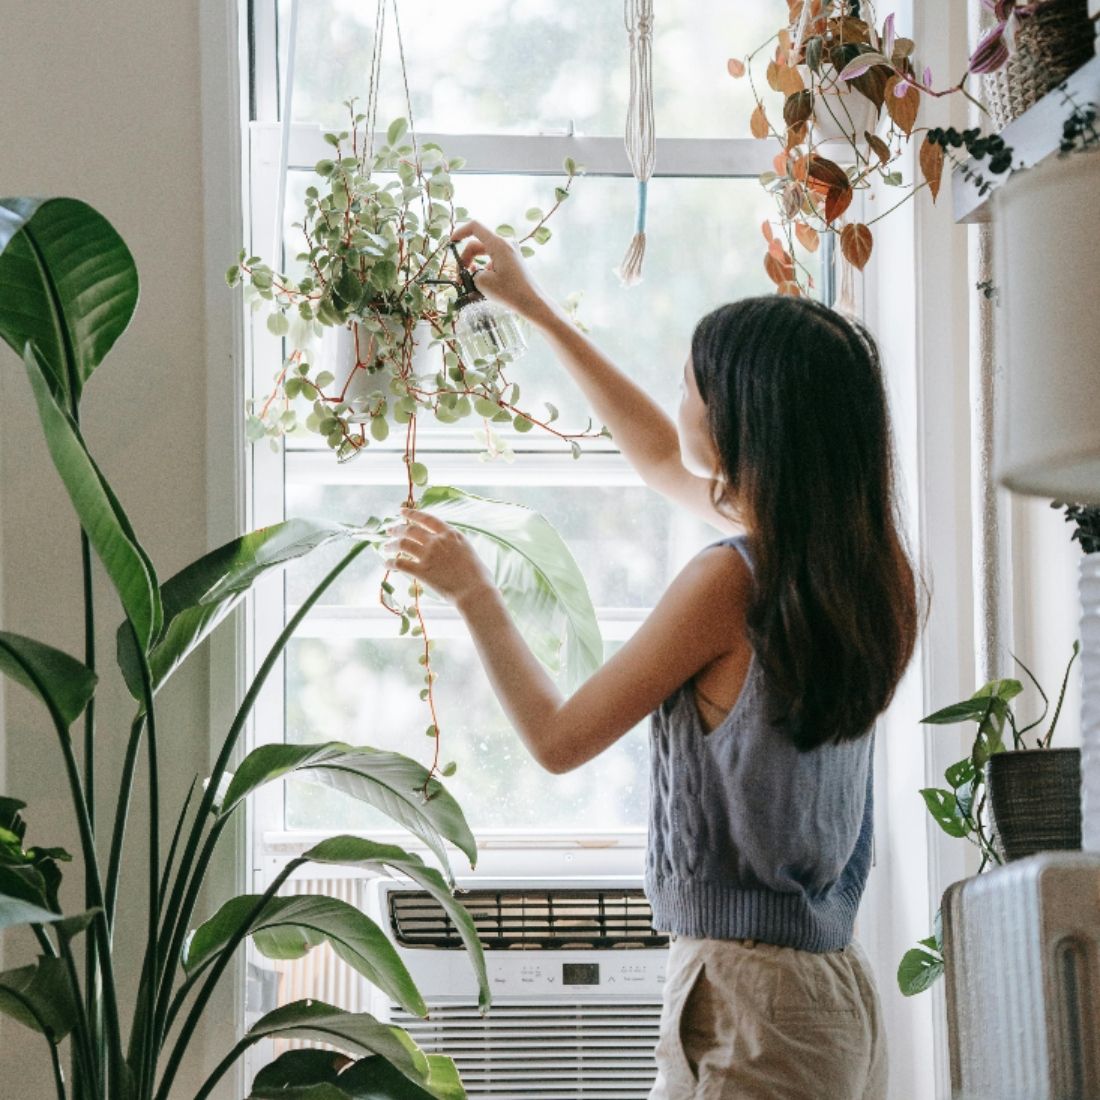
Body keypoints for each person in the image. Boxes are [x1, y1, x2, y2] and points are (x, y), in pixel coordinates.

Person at [384, 220, 919, 1100]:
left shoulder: (729, 584)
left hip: (750, 1003)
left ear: (747, 418)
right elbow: (659, 458)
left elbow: (560, 741)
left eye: (689, 382)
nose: (679, 398)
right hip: (830, 994)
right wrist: (534, 310)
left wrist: (473, 593)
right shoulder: (865, 567)